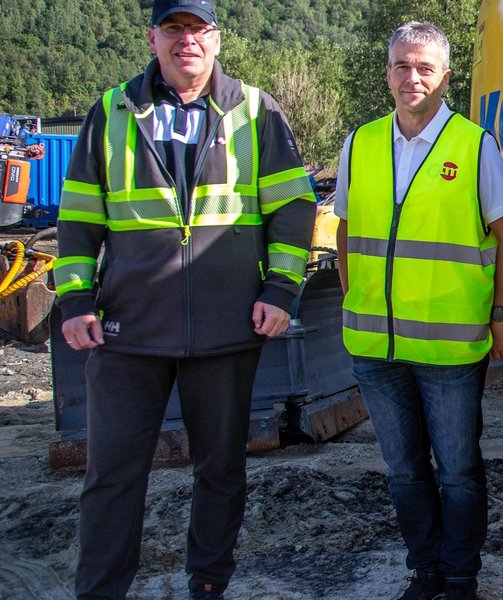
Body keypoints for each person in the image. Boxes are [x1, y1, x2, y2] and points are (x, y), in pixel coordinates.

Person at [51, 0, 316, 597]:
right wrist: (75, 300)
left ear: (217, 39)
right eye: (174, 29)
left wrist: (281, 290)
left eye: (198, 29)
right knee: (112, 476)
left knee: (221, 470)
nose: (186, 40)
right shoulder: (112, 110)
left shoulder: (256, 110)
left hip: (227, 328)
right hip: (128, 331)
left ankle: (208, 586)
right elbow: (79, 214)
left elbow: (293, 207)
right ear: (153, 38)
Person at [333, 21, 503, 600]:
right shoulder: (360, 143)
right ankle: (425, 572)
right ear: (387, 73)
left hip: (450, 346)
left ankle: (460, 578)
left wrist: (500, 315)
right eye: (401, 66)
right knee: (404, 471)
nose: (411, 77)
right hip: (377, 346)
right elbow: (344, 230)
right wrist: (353, 297)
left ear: (446, 77)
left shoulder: (474, 145)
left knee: (458, 471)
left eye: (424, 67)